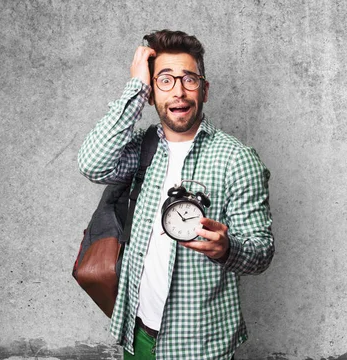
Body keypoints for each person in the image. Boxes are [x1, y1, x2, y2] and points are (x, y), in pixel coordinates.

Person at [77, 30, 274, 359]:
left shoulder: (237, 159)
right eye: (164, 80)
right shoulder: (142, 150)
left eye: (189, 80)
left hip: (200, 346)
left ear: (205, 90)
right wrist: (135, 88)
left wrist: (227, 248)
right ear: (152, 93)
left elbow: (262, 253)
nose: (179, 92)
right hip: (137, 334)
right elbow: (91, 163)